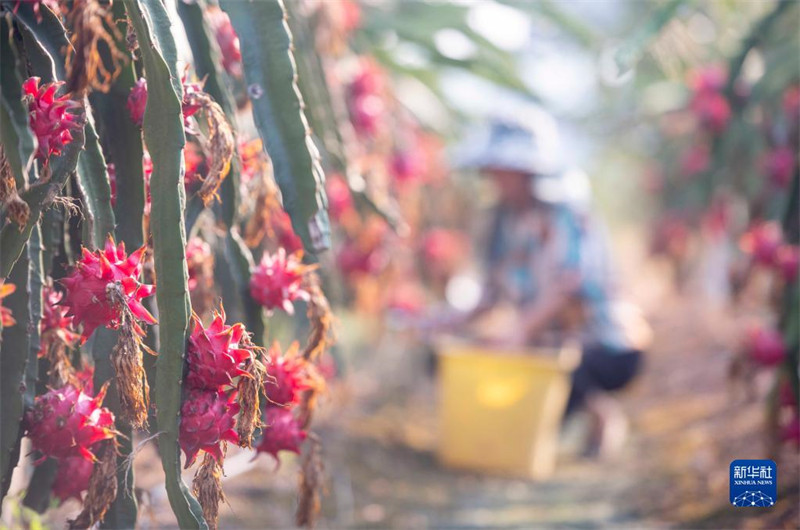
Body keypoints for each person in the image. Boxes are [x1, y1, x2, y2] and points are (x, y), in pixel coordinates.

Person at [437, 110, 650, 456]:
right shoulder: (502, 222)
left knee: (537, 371)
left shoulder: (566, 214)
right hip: (549, 342)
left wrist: (519, 332)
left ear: (525, 170)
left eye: (501, 169)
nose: (492, 176)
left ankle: (596, 409)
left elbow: (568, 285)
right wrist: (444, 322)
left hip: (608, 348)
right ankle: (584, 410)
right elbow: (491, 294)